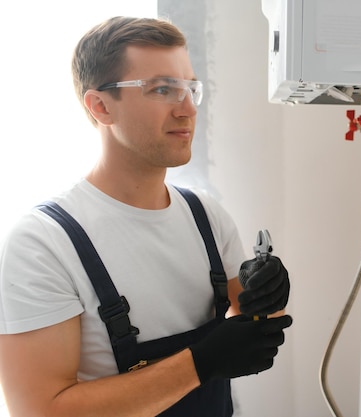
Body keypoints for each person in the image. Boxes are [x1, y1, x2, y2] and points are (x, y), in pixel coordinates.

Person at [0, 16, 292, 417]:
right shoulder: (43, 243)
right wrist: (199, 363)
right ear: (101, 106)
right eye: (162, 89)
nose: (188, 108)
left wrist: (268, 294)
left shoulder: (206, 216)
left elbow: (257, 324)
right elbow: (41, 410)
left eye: (191, 88)